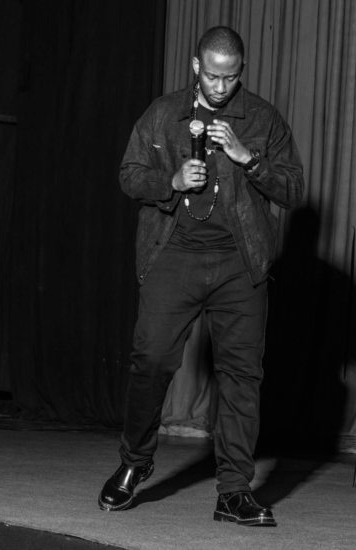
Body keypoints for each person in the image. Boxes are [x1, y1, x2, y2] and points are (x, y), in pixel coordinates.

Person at [98, 26, 304, 526]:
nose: (220, 87)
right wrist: (169, 181)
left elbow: (293, 190)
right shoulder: (164, 113)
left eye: (230, 78)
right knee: (150, 359)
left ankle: (233, 492)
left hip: (240, 262)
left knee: (242, 376)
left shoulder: (262, 119)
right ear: (196, 67)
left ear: (241, 71)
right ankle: (135, 461)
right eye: (212, 76)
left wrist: (248, 158)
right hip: (174, 255)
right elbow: (128, 174)